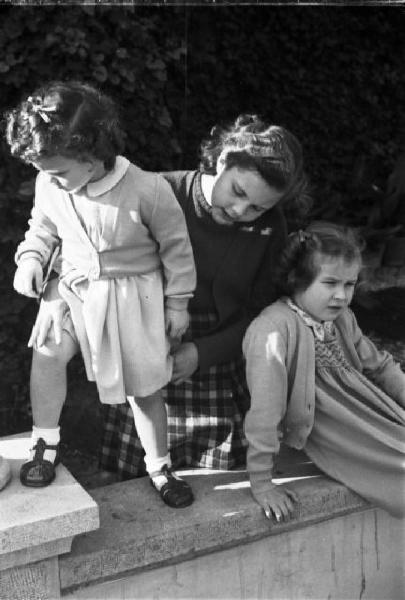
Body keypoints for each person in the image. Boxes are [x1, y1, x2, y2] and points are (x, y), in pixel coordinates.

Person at [6, 80, 196, 508]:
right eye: (41, 170)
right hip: (74, 289)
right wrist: (32, 260)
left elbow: (177, 251)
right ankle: (45, 441)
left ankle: (160, 465)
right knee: (47, 352)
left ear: (92, 158)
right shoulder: (50, 185)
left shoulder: (148, 190)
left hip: (132, 299)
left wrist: (178, 303)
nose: (46, 179)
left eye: (56, 171)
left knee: (144, 390)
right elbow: (43, 227)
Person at [98, 114, 311, 479]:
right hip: (149, 349)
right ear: (223, 159)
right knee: (137, 477)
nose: (241, 211)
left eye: (258, 208)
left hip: (219, 359)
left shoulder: (272, 227)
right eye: (239, 192)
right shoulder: (157, 193)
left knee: (222, 478)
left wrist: (202, 354)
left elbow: (260, 313)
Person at [243, 222, 405, 520]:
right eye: (330, 284)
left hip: (366, 417)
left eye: (350, 284)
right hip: (338, 434)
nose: (342, 296)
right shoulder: (273, 330)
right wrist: (262, 482)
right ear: (297, 279)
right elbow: (265, 410)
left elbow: (380, 365)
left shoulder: (342, 319)